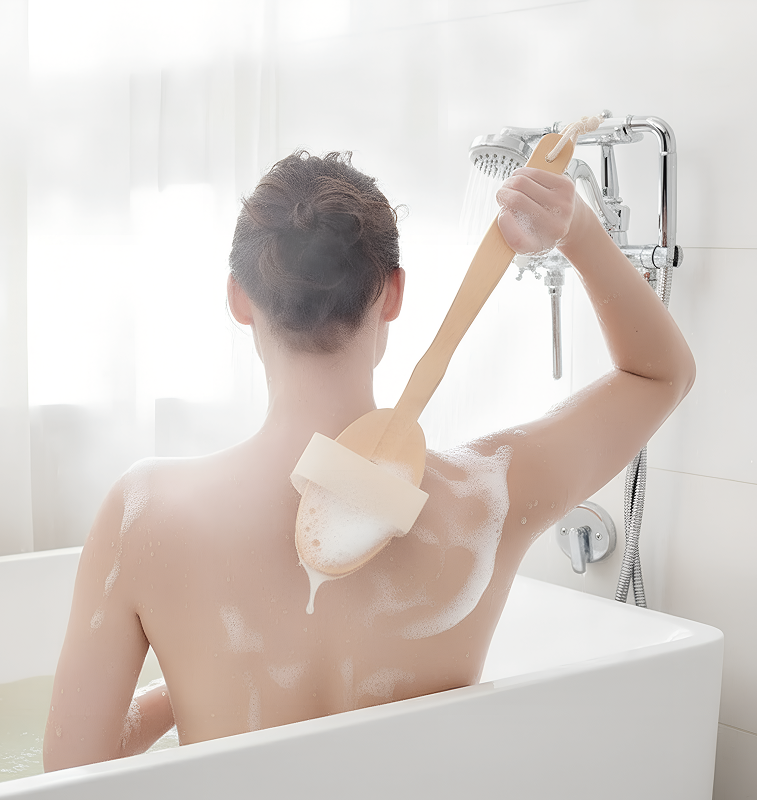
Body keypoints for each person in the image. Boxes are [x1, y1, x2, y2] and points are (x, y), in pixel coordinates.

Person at [43, 150, 694, 770]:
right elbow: (660, 374)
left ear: (239, 298)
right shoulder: (489, 492)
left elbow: (72, 772)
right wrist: (578, 231)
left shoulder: (146, 512)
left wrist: (189, 684)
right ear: (393, 293)